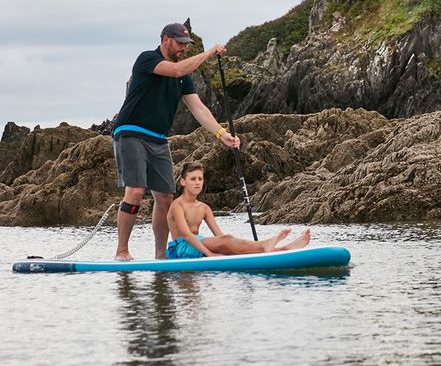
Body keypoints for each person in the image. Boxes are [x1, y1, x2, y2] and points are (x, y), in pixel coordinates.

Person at [112, 22, 240, 261]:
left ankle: (161, 255)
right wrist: (209, 52)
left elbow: (198, 108)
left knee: (166, 197)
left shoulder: (183, 79)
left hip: (159, 139)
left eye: (186, 44)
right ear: (165, 40)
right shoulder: (147, 59)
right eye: (180, 43)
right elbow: (178, 70)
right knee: (136, 190)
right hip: (131, 132)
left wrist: (222, 134)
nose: (183, 48)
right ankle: (122, 251)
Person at [167, 162, 311, 258]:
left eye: (200, 179)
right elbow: (186, 235)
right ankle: (264, 245)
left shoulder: (204, 208)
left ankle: (285, 249)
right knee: (228, 241)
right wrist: (210, 254)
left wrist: (227, 248)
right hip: (182, 249)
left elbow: (220, 237)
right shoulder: (177, 205)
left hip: (199, 246)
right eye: (193, 179)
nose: (197, 182)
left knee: (231, 244)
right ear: (183, 181)